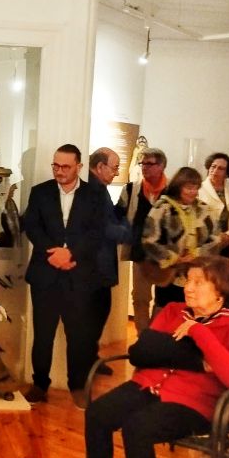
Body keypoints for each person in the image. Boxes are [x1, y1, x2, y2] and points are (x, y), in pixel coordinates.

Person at [85, 255, 229, 458]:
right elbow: (140, 353)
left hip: (194, 402)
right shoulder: (172, 311)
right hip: (146, 385)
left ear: (221, 290)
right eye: (188, 280)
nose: (188, 287)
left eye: (198, 282)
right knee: (97, 414)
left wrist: (197, 332)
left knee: (138, 427)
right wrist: (199, 361)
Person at [22, 144, 105, 408]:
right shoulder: (40, 192)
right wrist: (54, 253)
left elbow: (98, 232)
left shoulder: (95, 194)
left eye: (65, 166)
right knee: (43, 334)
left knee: (78, 335)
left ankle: (77, 386)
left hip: (78, 274)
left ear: (79, 166)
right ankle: (39, 384)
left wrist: (71, 254)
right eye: (55, 166)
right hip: (45, 273)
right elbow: (32, 226)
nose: (59, 171)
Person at [142, 166, 221, 310]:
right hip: (169, 274)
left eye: (196, 188)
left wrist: (197, 254)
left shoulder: (203, 209)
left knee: (194, 311)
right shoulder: (163, 207)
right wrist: (173, 258)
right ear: (178, 186)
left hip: (197, 273)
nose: (193, 192)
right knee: (166, 312)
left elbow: (216, 239)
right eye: (189, 188)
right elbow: (149, 240)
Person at [87, 148, 130, 377]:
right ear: (100, 167)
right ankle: (86, 362)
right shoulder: (93, 190)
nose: (116, 172)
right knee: (95, 314)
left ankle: (90, 358)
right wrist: (129, 231)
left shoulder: (98, 188)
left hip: (98, 263)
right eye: (114, 167)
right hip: (95, 264)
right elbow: (105, 228)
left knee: (99, 312)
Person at [115, 148, 168, 333]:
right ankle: (143, 338)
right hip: (140, 253)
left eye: (149, 163)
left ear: (161, 166)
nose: (144, 167)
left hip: (166, 255)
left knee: (164, 299)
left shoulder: (173, 190)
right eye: (142, 163)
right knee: (140, 298)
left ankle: (157, 338)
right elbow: (118, 214)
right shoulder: (130, 189)